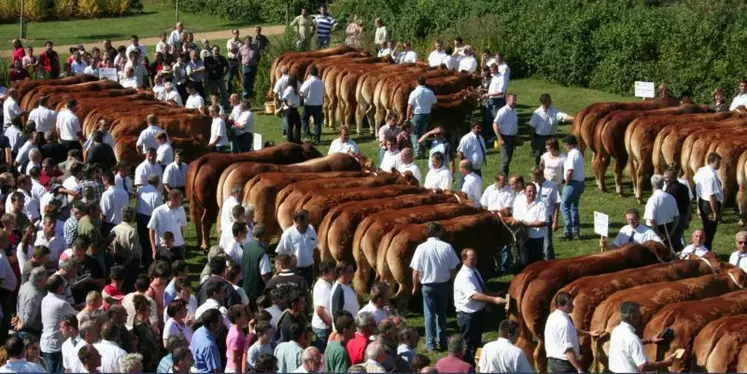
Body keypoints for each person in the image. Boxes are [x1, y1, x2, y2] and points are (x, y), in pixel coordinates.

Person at [410, 222, 460, 351]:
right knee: (441, 314)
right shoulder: (447, 247)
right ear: (438, 232)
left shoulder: (421, 248)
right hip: (443, 285)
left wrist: (415, 287)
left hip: (427, 285)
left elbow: (416, 271)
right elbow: (453, 269)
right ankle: (442, 341)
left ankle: (430, 343)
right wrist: (455, 285)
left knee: (429, 314)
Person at [454, 249, 506, 366]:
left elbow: (481, 288)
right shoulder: (464, 276)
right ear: (464, 259)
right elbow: (474, 295)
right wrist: (494, 300)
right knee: (468, 346)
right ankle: (468, 367)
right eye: (472, 259)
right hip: (467, 316)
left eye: (476, 259)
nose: (475, 262)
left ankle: (473, 364)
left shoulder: (473, 271)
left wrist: (494, 294)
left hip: (476, 314)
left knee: (476, 343)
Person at [608, 302, 675, 373]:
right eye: (638, 313)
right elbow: (642, 367)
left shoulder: (616, 330)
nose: (640, 315)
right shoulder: (633, 338)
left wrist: (650, 340)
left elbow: (628, 344)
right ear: (632, 316)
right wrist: (665, 363)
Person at [544, 292, 595, 373]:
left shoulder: (553, 316)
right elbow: (568, 350)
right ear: (561, 306)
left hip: (555, 363)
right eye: (570, 304)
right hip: (565, 365)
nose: (573, 306)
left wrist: (589, 333)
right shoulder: (563, 323)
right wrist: (579, 368)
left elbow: (572, 330)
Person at [40, 274, 77, 373]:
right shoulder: (61, 304)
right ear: (60, 287)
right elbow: (76, 316)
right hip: (56, 346)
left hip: (45, 344)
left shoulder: (45, 299)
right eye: (63, 285)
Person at [276, 209, 317, 286]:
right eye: (307, 220)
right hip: (295, 271)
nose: (309, 221)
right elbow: (280, 254)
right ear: (298, 221)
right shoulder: (288, 234)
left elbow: (314, 249)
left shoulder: (311, 229)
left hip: (309, 270)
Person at [528, 94, 573, 165]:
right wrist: (532, 140)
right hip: (539, 138)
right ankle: (539, 171)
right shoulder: (537, 113)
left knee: (553, 154)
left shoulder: (554, 110)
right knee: (538, 155)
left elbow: (562, 116)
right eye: (549, 101)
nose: (551, 102)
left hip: (551, 137)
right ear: (544, 102)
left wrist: (574, 118)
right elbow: (532, 127)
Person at [512, 183, 549, 266]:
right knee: (523, 262)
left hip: (536, 238)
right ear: (525, 192)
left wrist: (526, 224)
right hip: (522, 238)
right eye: (529, 191)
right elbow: (515, 218)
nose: (531, 194)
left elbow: (544, 221)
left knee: (535, 263)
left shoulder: (541, 204)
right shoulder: (519, 204)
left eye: (533, 192)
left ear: (536, 193)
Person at [148, 190, 187, 261]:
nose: (182, 201)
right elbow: (151, 230)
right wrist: (154, 249)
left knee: (179, 269)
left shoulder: (181, 210)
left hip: (179, 245)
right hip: (163, 247)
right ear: (173, 199)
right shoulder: (158, 211)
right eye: (180, 199)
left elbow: (181, 227)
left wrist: (181, 240)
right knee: (164, 269)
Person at [531, 166, 561, 260]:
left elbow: (557, 204)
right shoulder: (533, 186)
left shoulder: (551, 186)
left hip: (547, 219)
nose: (533, 180)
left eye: (535, 178)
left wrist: (555, 221)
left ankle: (550, 263)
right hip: (534, 218)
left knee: (547, 245)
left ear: (540, 176)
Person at [694, 152, 723, 249]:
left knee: (706, 227)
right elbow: (712, 196)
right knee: (710, 231)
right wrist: (715, 212)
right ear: (711, 162)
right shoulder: (711, 176)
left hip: (702, 201)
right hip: (709, 205)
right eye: (717, 163)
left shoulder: (701, 170)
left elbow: (695, 180)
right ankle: (706, 250)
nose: (719, 165)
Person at [644, 174, 680, 248]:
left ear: (652, 185)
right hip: (669, 228)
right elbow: (677, 217)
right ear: (663, 183)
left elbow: (651, 220)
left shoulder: (652, 200)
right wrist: (671, 233)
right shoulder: (671, 197)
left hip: (655, 230)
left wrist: (659, 235)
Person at [561, 135, 585, 241]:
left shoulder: (571, 155)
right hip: (580, 183)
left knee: (564, 206)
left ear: (570, 144)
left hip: (572, 183)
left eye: (566, 144)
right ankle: (576, 230)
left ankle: (568, 231)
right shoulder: (579, 153)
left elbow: (570, 171)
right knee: (573, 207)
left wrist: (567, 183)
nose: (565, 146)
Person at [407, 76, 437, 159]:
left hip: (417, 114)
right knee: (423, 133)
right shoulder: (430, 92)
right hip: (427, 114)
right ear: (425, 82)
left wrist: (407, 118)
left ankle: (418, 152)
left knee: (414, 134)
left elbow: (409, 106)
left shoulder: (414, 92)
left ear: (417, 82)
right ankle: (423, 151)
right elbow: (434, 105)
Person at [310, 261, 334, 351]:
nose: (334, 274)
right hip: (323, 328)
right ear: (324, 273)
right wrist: (330, 324)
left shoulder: (327, 283)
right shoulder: (322, 287)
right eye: (332, 272)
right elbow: (319, 310)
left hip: (325, 326)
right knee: (323, 354)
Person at [190, 308, 223, 373]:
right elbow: (216, 370)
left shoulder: (198, 332)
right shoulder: (209, 346)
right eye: (220, 321)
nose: (222, 324)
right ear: (212, 324)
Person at [299, 66, 325, 143]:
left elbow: (301, 92)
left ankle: (308, 133)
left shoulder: (308, 82)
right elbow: (324, 93)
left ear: (309, 73)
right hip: (318, 105)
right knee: (317, 122)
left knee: (304, 118)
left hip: (309, 104)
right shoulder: (321, 82)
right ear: (317, 73)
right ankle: (317, 139)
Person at [283, 75, 303, 143]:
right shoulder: (290, 88)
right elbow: (284, 97)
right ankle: (294, 139)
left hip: (293, 109)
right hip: (290, 109)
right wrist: (288, 104)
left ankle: (293, 139)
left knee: (294, 124)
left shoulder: (294, 88)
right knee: (296, 124)